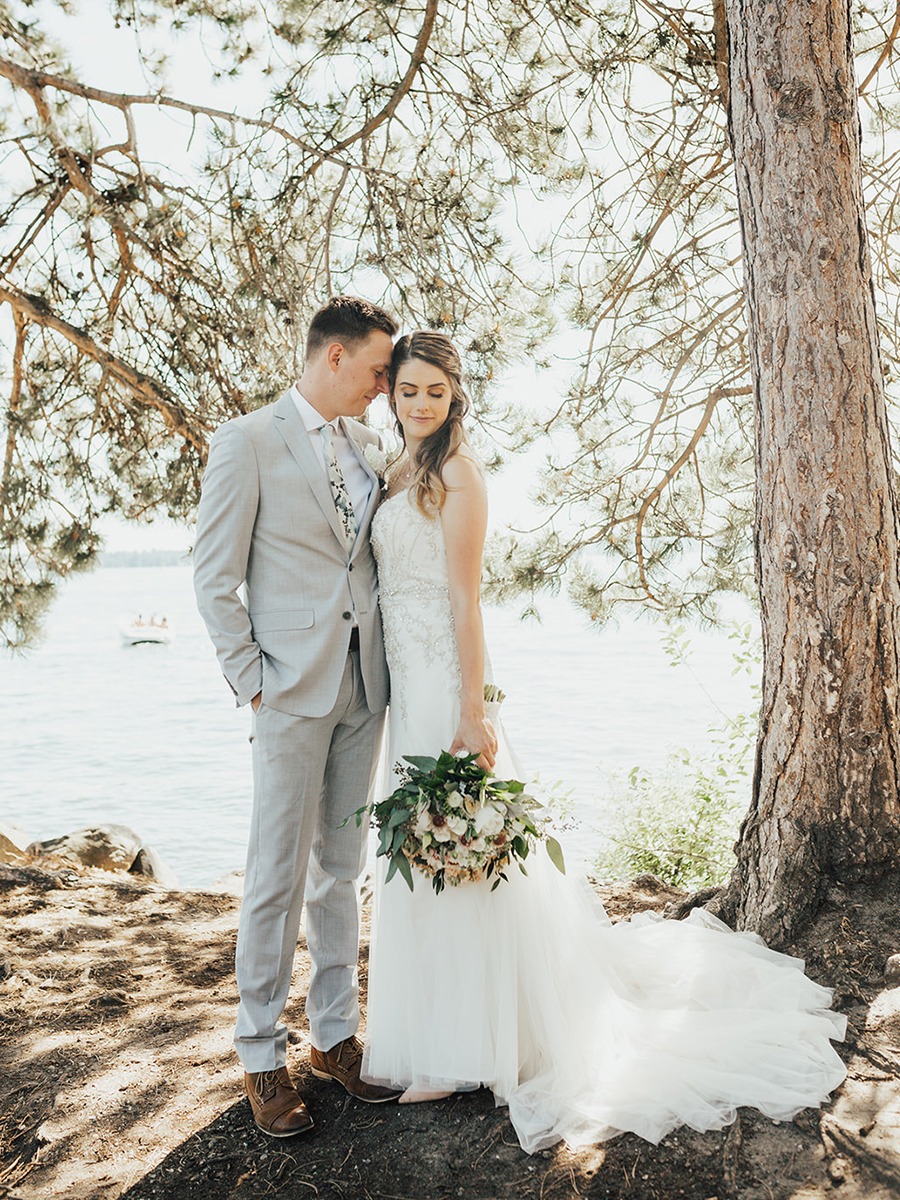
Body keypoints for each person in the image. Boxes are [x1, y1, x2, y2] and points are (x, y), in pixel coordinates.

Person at [361, 330, 848, 1153]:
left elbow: (466, 602)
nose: (419, 404)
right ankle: (436, 1031)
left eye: (434, 393)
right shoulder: (394, 469)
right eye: (408, 390)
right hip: (402, 687)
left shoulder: (458, 477)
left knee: (464, 859)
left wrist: (473, 714)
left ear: (455, 399)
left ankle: (473, 1046)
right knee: (419, 859)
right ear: (392, 393)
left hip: (445, 688)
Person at [193, 295, 402, 1138]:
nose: (386, 386)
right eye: (380, 369)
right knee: (275, 874)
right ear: (337, 357)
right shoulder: (246, 441)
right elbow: (214, 578)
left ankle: (334, 1036)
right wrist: (253, 681)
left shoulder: (369, 444)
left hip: (364, 687)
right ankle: (257, 1055)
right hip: (288, 689)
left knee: (340, 869)